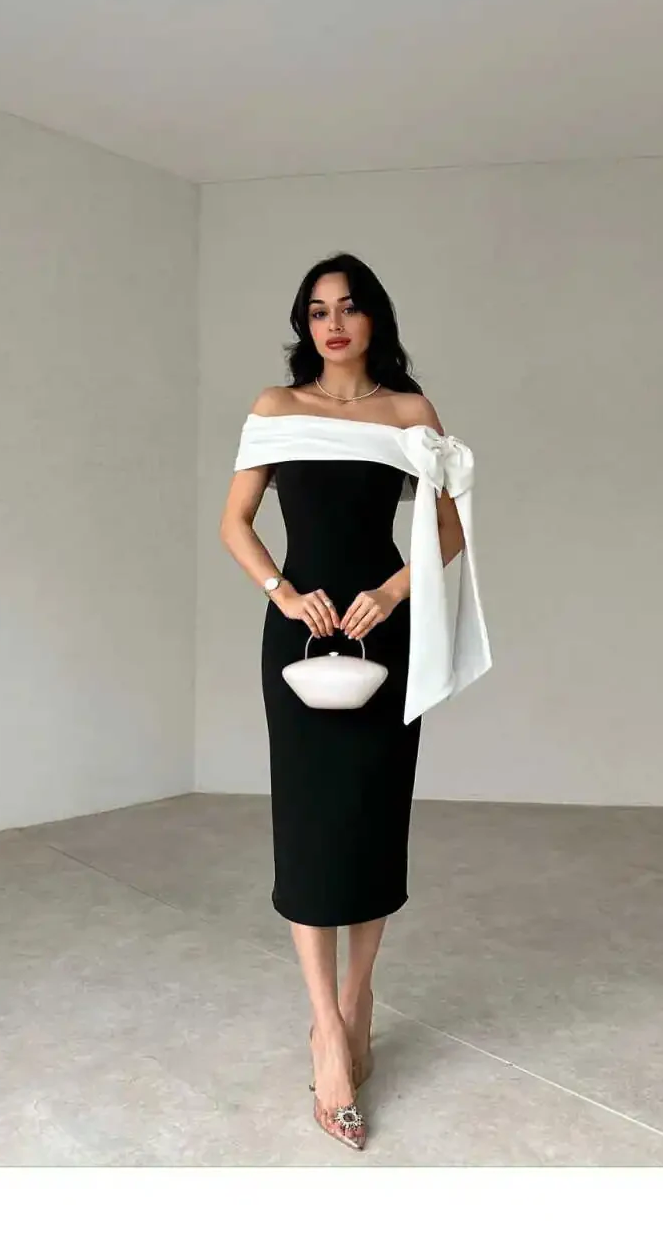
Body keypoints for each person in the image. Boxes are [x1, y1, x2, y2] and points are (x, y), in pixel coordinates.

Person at [220, 253, 491, 1151]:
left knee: (372, 815)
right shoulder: (275, 407)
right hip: (299, 635)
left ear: (374, 318)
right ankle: (326, 1030)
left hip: (383, 632)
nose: (332, 324)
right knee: (306, 822)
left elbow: (447, 528)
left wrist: (392, 591)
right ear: (304, 325)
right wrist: (282, 593)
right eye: (316, 310)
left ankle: (358, 995)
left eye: (347, 307)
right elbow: (233, 522)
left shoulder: (409, 413)